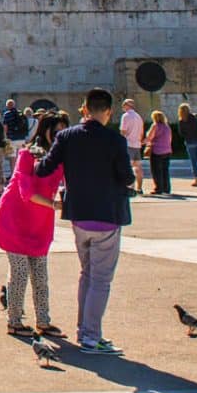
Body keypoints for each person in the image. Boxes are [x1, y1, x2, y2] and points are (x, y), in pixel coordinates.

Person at [36, 88, 134, 355]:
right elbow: (127, 177)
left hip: (78, 215)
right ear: (109, 111)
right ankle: (91, 337)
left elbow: (44, 167)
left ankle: (85, 331)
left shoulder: (67, 136)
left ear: (85, 109)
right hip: (107, 214)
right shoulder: (115, 140)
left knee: (87, 273)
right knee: (101, 279)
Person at [0, 112, 68, 337]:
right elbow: (26, 193)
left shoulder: (61, 158)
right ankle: (14, 321)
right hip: (14, 220)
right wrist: (54, 204)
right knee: (19, 273)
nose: (59, 136)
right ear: (44, 131)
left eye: (64, 132)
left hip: (40, 222)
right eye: (56, 131)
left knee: (40, 275)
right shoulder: (28, 154)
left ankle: (43, 321)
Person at [118, 99, 147, 193]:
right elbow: (142, 132)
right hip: (137, 145)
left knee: (128, 166)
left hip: (128, 144)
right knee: (138, 167)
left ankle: (130, 187)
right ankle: (139, 188)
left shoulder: (126, 116)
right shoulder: (138, 117)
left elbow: (123, 131)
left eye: (123, 105)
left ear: (127, 105)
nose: (122, 107)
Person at [144, 109, 173, 195]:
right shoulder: (167, 127)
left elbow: (149, 137)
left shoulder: (155, 126)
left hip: (157, 151)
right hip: (167, 150)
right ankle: (166, 188)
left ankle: (158, 188)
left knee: (156, 171)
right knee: (165, 170)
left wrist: (144, 142)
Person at [177, 104, 197, 187]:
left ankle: (196, 179)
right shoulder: (196, 117)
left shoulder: (182, 120)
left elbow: (181, 133)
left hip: (190, 142)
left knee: (193, 161)